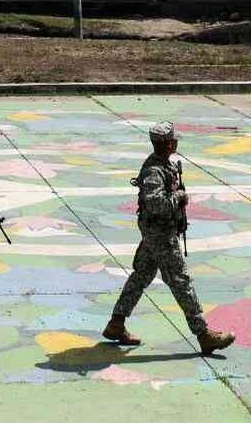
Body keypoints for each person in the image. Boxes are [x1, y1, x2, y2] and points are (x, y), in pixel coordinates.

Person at [101, 122, 236, 355]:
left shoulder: (164, 165)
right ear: (168, 143)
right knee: (181, 282)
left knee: (141, 275)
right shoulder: (154, 171)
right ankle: (204, 335)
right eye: (174, 140)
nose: (176, 142)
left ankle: (116, 323)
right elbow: (155, 204)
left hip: (157, 233)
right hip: (160, 235)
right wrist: (179, 197)